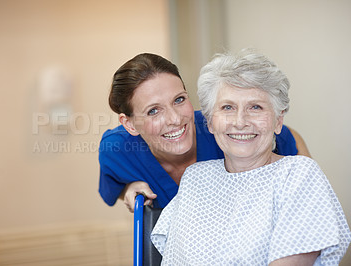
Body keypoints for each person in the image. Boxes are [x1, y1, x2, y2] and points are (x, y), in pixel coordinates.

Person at [150, 49, 351, 265]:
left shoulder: (299, 176)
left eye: (255, 107)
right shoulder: (196, 178)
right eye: (228, 107)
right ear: (209, 122)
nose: (240, 121)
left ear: (278, 121)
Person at [98, 53, 310, 212]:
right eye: (153, 111)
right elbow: (115, 188)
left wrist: (306, 187)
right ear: (130, 124)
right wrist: (128, 189)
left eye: (179, 99)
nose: (175, 119)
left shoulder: (221, 128)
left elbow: (286, 135)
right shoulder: (116, 149)